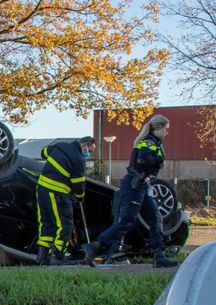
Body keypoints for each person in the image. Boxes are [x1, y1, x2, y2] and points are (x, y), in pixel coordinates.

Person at [82, 114, 178, 268]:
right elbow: (142, 159)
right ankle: (95, 247)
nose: (167, 133)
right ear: (158, 128)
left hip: (143, 186)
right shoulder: (148, 142)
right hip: (134, 186)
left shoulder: (154, 142)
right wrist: (160, 161)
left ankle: (159, 255)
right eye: (165, 129)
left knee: (156, 218)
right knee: (127, 221)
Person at [35, 136, 96, 265]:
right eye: (90, 151)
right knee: (65, 224)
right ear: (84, 145)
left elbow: (43, 152)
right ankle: (58, 256)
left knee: (46, 222)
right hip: (57, 192)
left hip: (41, 188)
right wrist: (80, 197)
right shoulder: (78, 160)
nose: (89, 154)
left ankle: (42, 256)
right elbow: (79, 184)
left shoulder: (60, 145)